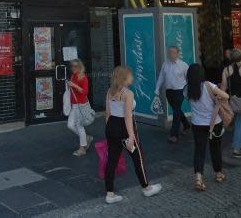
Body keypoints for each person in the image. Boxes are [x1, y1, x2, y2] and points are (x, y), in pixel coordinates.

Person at [104, 66, 162, 204]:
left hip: (111, 126)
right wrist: (130, 136)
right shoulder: (128, 93)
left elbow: (107, 114)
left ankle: (109, 194)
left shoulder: (109, 91)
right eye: (130, 75)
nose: (132, 77)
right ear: (124, 78)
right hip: (124, 128)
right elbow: (128, 117)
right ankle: (146, 187)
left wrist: (109, 131)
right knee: (138, 158)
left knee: (112, 160)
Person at [186, 63, 229, 191]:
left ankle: (198, 177)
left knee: (199, 150)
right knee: (215, 148)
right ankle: (218, 173)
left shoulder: (186, 88)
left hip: (197, 123)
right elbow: (226, 96)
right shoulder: (209, 85)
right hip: (214, 122)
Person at [155, 45, 191, 143]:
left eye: (174, 52)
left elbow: (188, 79)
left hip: (180, 90)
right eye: (170, 52)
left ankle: (174, 134)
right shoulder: (165, 64)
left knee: (176, 111)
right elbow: (161, 77)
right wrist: (157, 88)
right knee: (177, 109)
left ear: (178, 53)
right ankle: (187, 125)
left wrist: (188, 91)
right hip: (169, 91)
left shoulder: (183, 65)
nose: (172, 54)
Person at [66, 59, 93, 156]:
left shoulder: (83, 77)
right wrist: (69, 86)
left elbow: (85, 92)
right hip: (74, 105)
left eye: (75, 66)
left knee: (79, 125)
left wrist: (74, 85)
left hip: (81, 105)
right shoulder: (73, 76)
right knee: (70, 125)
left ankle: (82, 149)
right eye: (72, 66)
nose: (73, 68)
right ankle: (86, 138)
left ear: (80, 67)